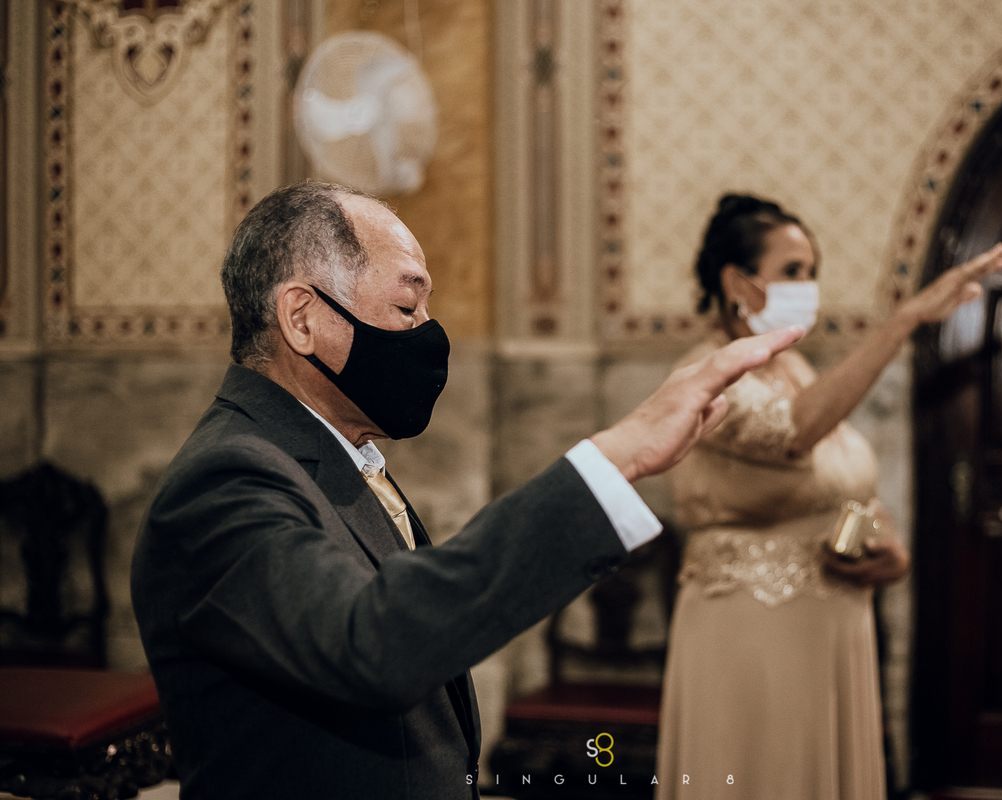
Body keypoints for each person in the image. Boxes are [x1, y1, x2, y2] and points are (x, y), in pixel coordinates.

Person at [129, 181, 803, 800]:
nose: (429, 333)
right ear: (302, 318)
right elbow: (375, 640)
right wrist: (613, 457)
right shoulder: (225, 480)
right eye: (406, 304)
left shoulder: (332, 450)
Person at [654, 194, 1002, 800]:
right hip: (752, 629)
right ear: (738, 282)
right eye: (792, 271)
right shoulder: (708, 374)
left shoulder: (793, 367)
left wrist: (887, 548)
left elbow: (842, 481)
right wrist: (903, 322)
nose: (808, 286)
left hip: (829, 626)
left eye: (813, 271)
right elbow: (796, 433)